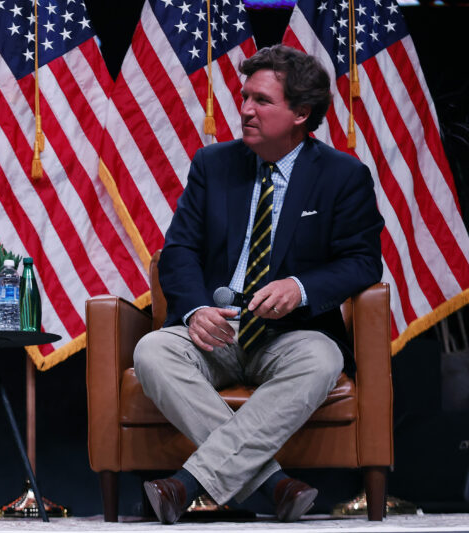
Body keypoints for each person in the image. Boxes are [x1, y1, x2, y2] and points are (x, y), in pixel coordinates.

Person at [133, 44, 384, 524]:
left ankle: (186, 485)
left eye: (261, 101)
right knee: (151, 351)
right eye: (244, 97)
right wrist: (193, 311)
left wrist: (300, 287)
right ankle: (273, 486)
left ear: (301, 113)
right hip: (215, 330)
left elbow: (361, 262)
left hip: (290, 334)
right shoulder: (212, 165)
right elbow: (179, 250)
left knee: (324, 358)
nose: (245, 109)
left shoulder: (343, 176)